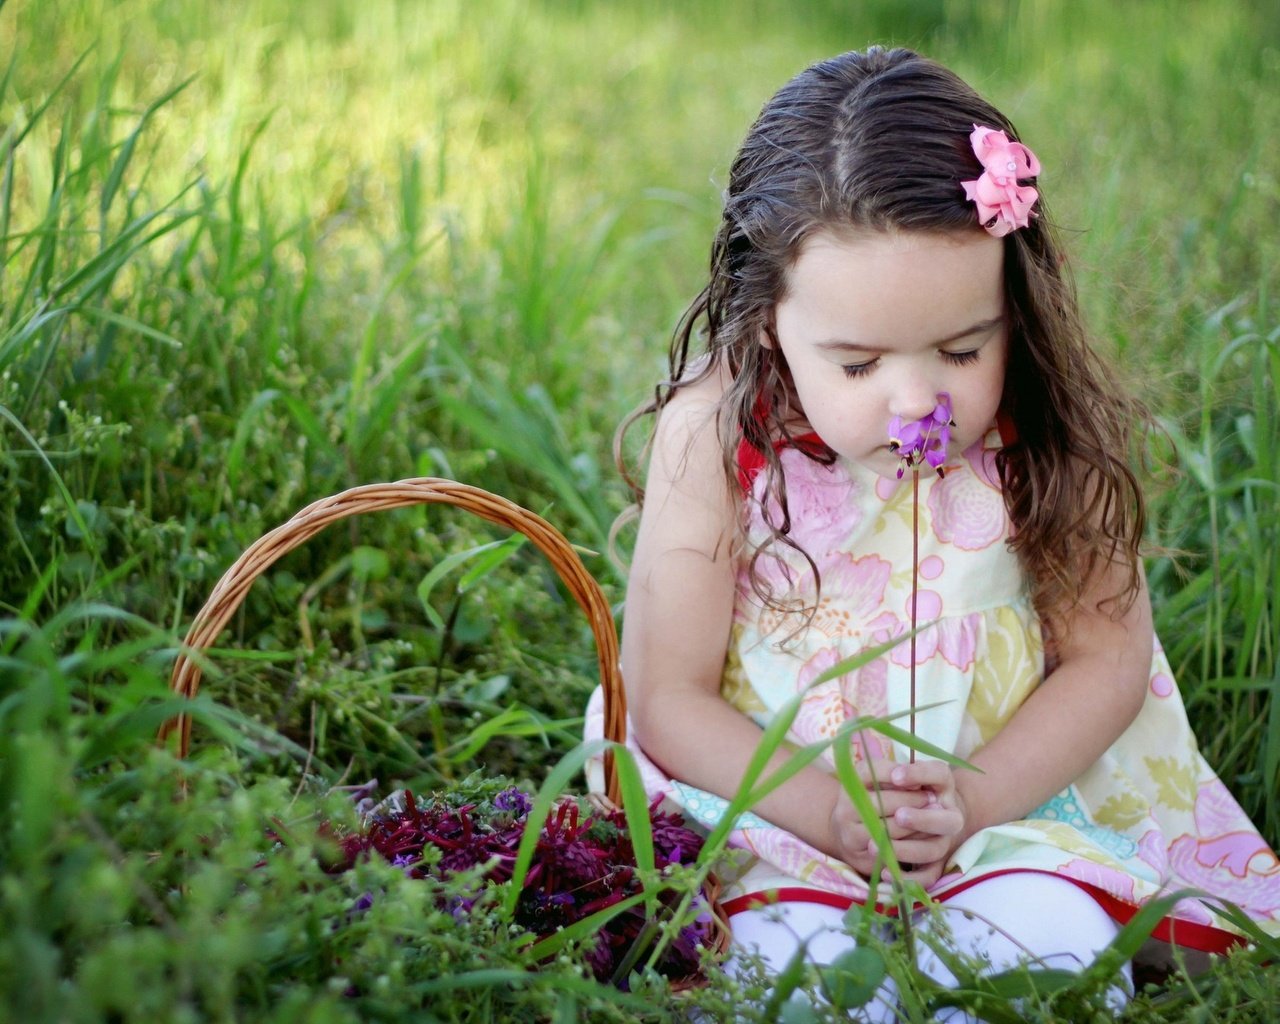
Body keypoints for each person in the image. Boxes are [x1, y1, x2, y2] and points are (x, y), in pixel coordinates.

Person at [586, 46, 1280, 1013]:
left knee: (1055, 961)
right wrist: (827, 809)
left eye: (962, 348)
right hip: (778, 801)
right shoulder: (714, 433)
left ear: (1013, 308)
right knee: (798, 975)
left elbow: (1106, 662)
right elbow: (666, 695)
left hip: (1018, 797)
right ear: (766, 319)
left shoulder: (1043, 425)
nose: (921, 400)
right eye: (859, 365)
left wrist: (975, 804)